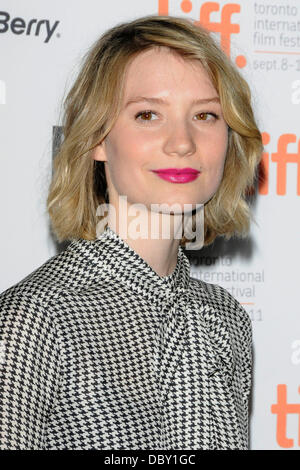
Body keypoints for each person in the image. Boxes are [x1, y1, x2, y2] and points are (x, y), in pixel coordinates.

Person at [0, 15, 263, 450]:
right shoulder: (33, 322)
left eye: (205, 114)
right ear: (98, 139)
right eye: (147, 114)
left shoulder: (227, 320)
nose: (182, 141)